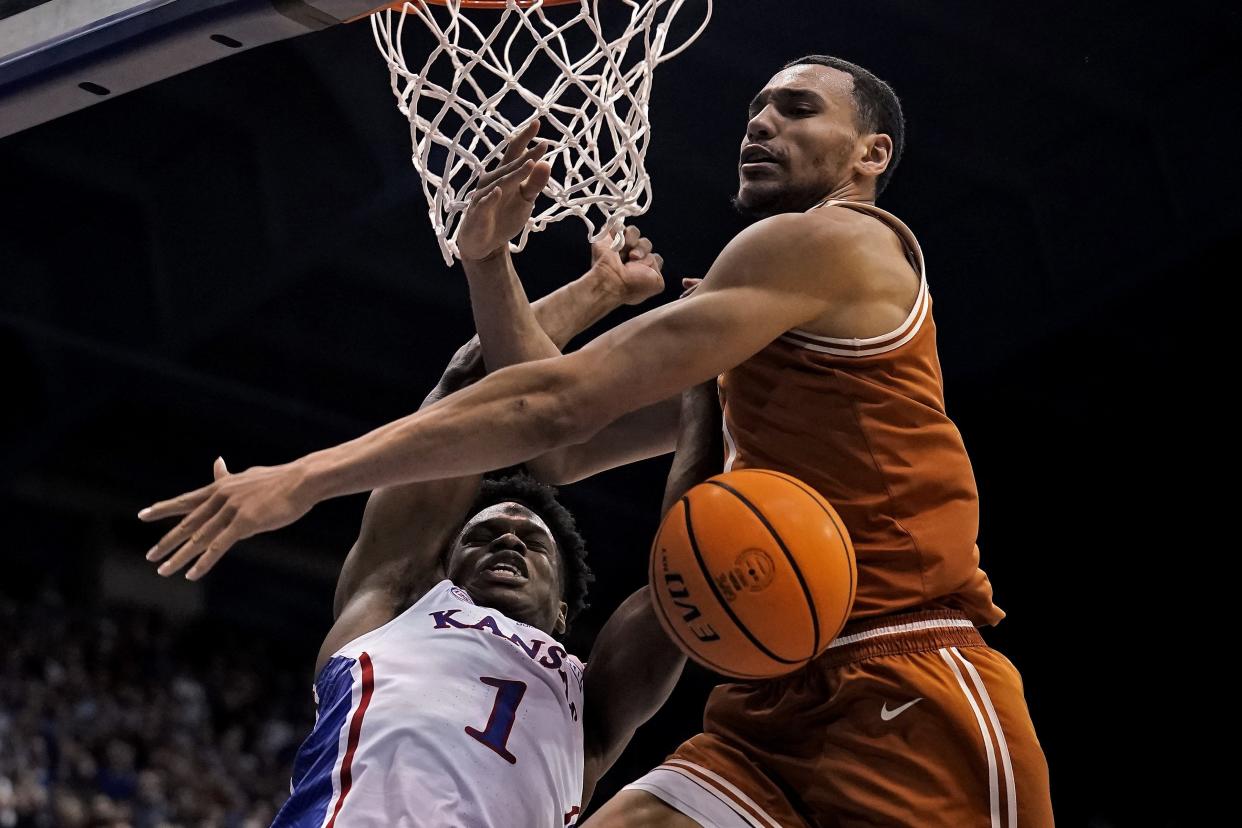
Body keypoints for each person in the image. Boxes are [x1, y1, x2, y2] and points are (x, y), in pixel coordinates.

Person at [142, 55, 1053, 826]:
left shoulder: (827, 244)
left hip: (909, 672)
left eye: (795, 108)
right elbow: (561, 448)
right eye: (754, 109)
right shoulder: (747, 341)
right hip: (769, 707)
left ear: (871, 153)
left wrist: (304, 479)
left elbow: (557, 406)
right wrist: (493, 266)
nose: (760, 122)